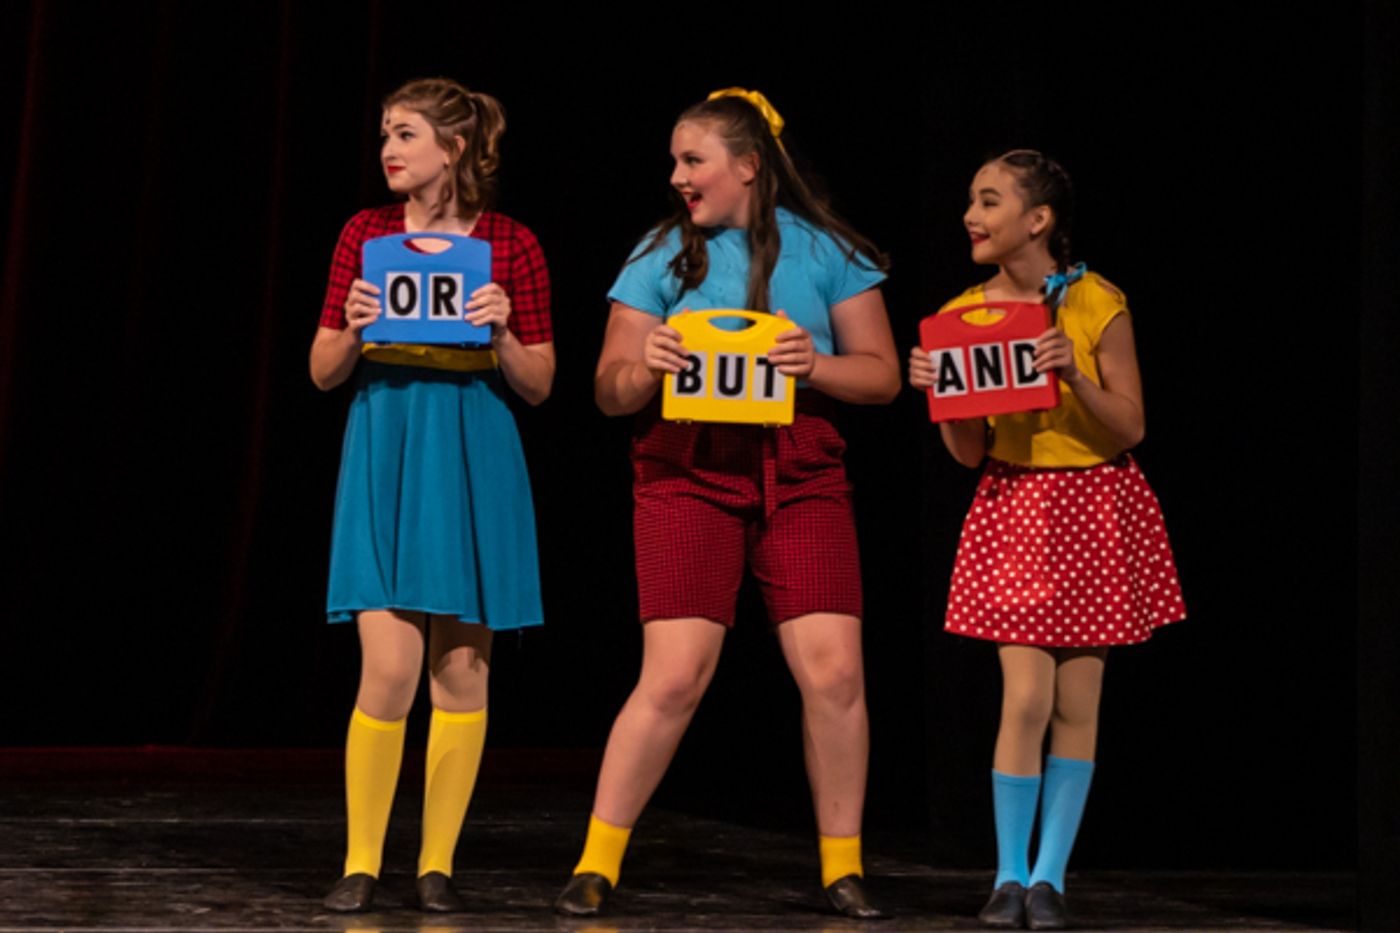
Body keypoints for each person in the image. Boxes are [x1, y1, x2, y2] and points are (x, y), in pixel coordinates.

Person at [553, 88, 899, 920]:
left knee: (836, 672)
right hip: (686, 467)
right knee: (674, 676)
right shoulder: (661, 255)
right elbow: (607, 388)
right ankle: (597, 861)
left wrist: (812, 363)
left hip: (801, 467)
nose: (677, 176)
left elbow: (883, 375)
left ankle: (842, 866)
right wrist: (648, 368)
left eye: (693, 159)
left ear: (748, 166)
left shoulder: (828, 252)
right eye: (675, 160)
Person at [909, 150, 1185, 930]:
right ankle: (1007, 874)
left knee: (1077, 701)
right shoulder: (963, 316)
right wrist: (943, 397)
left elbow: (1130, 424)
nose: (970, 214)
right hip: (1017, 505)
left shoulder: (1098, 302)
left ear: (1038, 220)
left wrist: (1074, 375)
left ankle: (1049, 879)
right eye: (970, 198)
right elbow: (969, 452)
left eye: (988, 201)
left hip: (1094, 502)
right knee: (1025, 694)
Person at [310, 77, 554, 914]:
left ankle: (436, 863)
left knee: (461, 667)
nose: (388, 148)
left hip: (471, 444)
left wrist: (505, 329)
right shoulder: (364, 234)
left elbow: (541, 382)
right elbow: (321, 370)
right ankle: (362, 860)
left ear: (452, 149)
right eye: (385, 132)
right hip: (387, 439)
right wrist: (349, 322)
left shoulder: (511, 242)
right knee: (388, 665)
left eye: (406, 134)